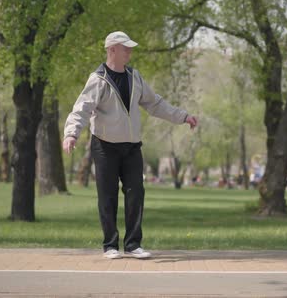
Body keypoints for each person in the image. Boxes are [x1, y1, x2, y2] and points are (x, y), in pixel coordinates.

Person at [62, 31, 198, 259]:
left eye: (130, 48)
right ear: (112, 49)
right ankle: (111, 245)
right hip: (105, 147)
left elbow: (155, 104)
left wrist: (183, 116)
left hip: (132, 147)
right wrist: (71, 134)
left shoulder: (135, 77)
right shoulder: (98, 79)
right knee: (107, 196)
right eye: (126, 48)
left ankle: (134, 245)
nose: (130, 52)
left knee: (136, 193)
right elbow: (82, 109)